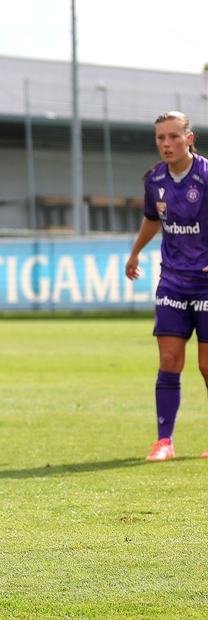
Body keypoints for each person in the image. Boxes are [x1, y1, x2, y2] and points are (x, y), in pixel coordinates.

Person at [126, 110, 208, 462]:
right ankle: (164, 441)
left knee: (207, 365)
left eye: (174, 136)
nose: (166, 143)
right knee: (170, 359)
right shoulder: (154, 180)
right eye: (161, 137)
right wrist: (136, 253)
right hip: (173, 281)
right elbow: (151, 220)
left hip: (206, 285)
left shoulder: (206, 176)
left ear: (189, 139)